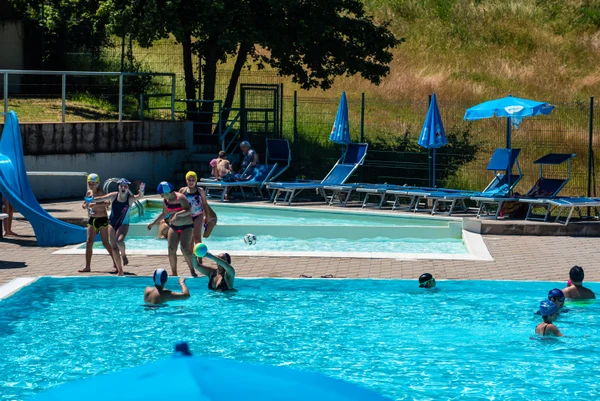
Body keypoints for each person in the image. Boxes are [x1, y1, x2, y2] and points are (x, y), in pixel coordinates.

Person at [93, 178, 145, 276]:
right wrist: (91, 199)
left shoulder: (130, 198)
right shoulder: (114, 196)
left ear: (127, 188)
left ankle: (124, 255)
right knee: (114, 248)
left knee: (119, 241)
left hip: (123, 224)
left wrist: (141, 190)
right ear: (118, 187)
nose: (123, 188)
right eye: (121, 186)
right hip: (112, 223)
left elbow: (139, 196)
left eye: (125, 186)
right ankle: (120, 271)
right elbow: (102, 198)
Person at [147, 181, 197, 277]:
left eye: (162, 194)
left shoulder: (180, 198)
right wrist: (153, 223)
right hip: (174, 226)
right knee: (171, 249)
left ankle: (192, 270)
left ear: (168, 192)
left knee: (185, 249)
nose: (161, 196)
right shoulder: (166, 201)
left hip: (186, 226)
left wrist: (177, 214)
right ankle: (174, 273)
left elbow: (188, 210)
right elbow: (164, 213)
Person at [78, 173, 116, 273]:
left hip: (102, 219)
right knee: (88, 242)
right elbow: (84, 204)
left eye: (93, 183)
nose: (91, 185)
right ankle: (87, 266)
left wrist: (94, 204)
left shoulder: (101, 192)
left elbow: (107, 203)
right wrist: (85, 206)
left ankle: (115, 262)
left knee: (105, 243)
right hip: (92, 220)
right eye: (90, 183)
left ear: (98, 183)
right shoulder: (89, 193)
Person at [179, 171, 211, 253]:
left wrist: (207, 216)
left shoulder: (200, 191)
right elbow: (178, 204)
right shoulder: (182, 191)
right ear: (186, 180)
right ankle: (192, 257)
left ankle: (200, 257)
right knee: (190, 239)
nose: (191, 182)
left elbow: (205, 204)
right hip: (187, 216)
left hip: (198, 215)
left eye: (193, 180)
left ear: (196, 181)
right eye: (189, 180)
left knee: (197, 238)